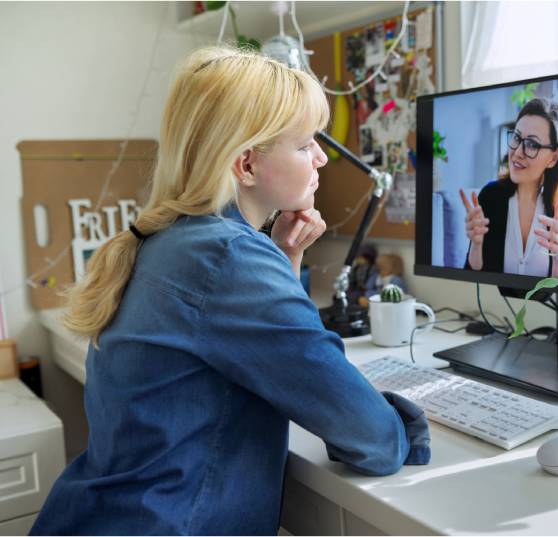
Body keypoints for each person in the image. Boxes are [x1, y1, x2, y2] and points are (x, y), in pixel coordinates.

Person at [30, 46, 430, 536]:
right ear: (246, 165)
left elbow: (254, 351)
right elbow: (374, 440)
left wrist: (284, 264)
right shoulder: (229, 260)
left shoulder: (171, 239)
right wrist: (407, 426)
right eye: (306, 145)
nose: (323, 157)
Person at [460, 97, 558, 278]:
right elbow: (472, 278)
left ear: (553, 158)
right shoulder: (490, 197)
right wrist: (476, 245)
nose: (517, 152)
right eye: (516, 138)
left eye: (532, 144)